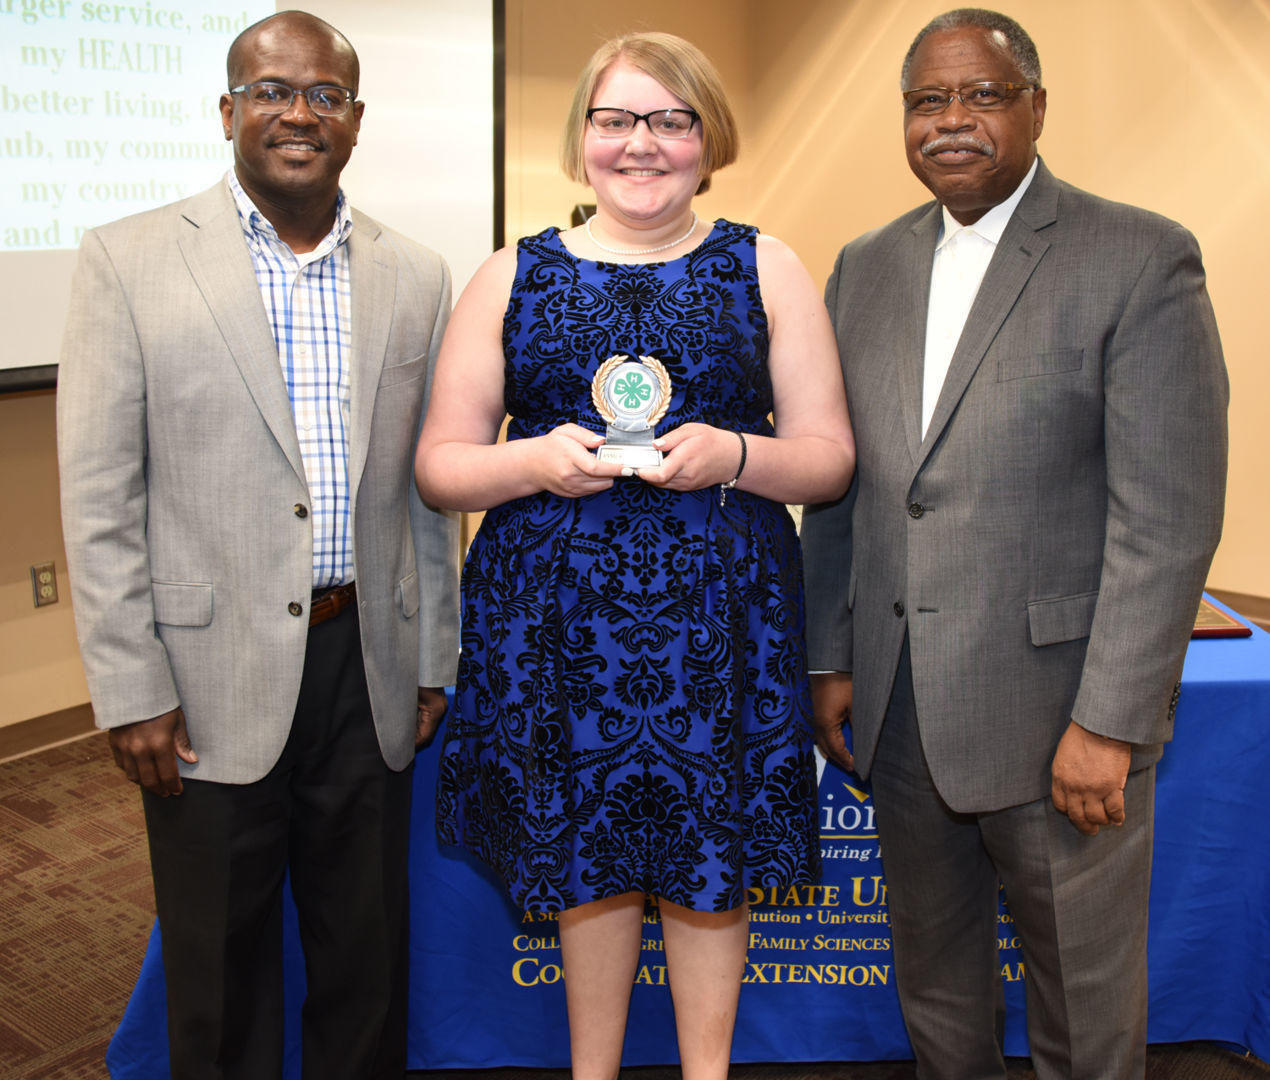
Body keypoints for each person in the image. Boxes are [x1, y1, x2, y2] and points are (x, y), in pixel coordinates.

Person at [415, 31, 853, 1080]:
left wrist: (736, 454)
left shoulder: (766, 263)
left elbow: (828, 461)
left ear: (709, 138)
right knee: (584, 862)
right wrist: (531, 462)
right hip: (553, 637)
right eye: (615, 120)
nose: (640, 145)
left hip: (718, 632)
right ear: (582, 139)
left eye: (669, 119)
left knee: (711, 867)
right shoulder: (509, 273)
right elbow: (439, 467)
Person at [801, 8, 1228, 1079]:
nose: (951, 121)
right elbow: (844, 489)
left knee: (1082, 1013)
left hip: (1059, 724)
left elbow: (1165, 515)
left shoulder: (1137, 255)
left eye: (981, 96)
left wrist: (1111, 721)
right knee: (935, 992)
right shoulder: (863, 267)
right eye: (926, 100)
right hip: (896, 716)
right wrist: (830, 655)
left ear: (1036, 107)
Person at [56, 11, 459, 1077]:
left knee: (362, 952)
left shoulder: (414, 273)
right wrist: (130, 684)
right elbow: (100, 496)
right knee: (220, 963)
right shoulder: (126, 260)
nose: (298, 112)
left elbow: (426, 494)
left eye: (324, 95)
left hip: (365, 662)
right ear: (227, 111)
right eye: (272, 90)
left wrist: (431, 656)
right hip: (202, 675)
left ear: (356, 120)